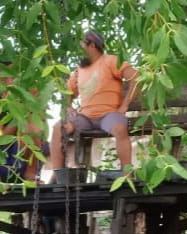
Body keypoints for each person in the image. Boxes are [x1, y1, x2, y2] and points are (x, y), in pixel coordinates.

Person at [48, 29, 138, 172]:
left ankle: (127, 174)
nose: (78, 50)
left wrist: (124, 105)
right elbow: (67, 93)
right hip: (85, 118)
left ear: (92, 46)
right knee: (58, 128)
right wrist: (68, 106)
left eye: (81, 45)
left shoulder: (111, 60)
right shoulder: (79, 70)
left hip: (109, 116)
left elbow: (136, 78)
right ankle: (58, 175)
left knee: (120, 129)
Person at [0, 58, 48, 183]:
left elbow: (40, 129)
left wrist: (24, 106)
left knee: (31, 124)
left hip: (24, 162)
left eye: (11, 73)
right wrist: (18, 111)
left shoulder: (29, 92)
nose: (8, 79)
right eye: (2, 73)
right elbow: (0, 136)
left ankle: (31, 174)